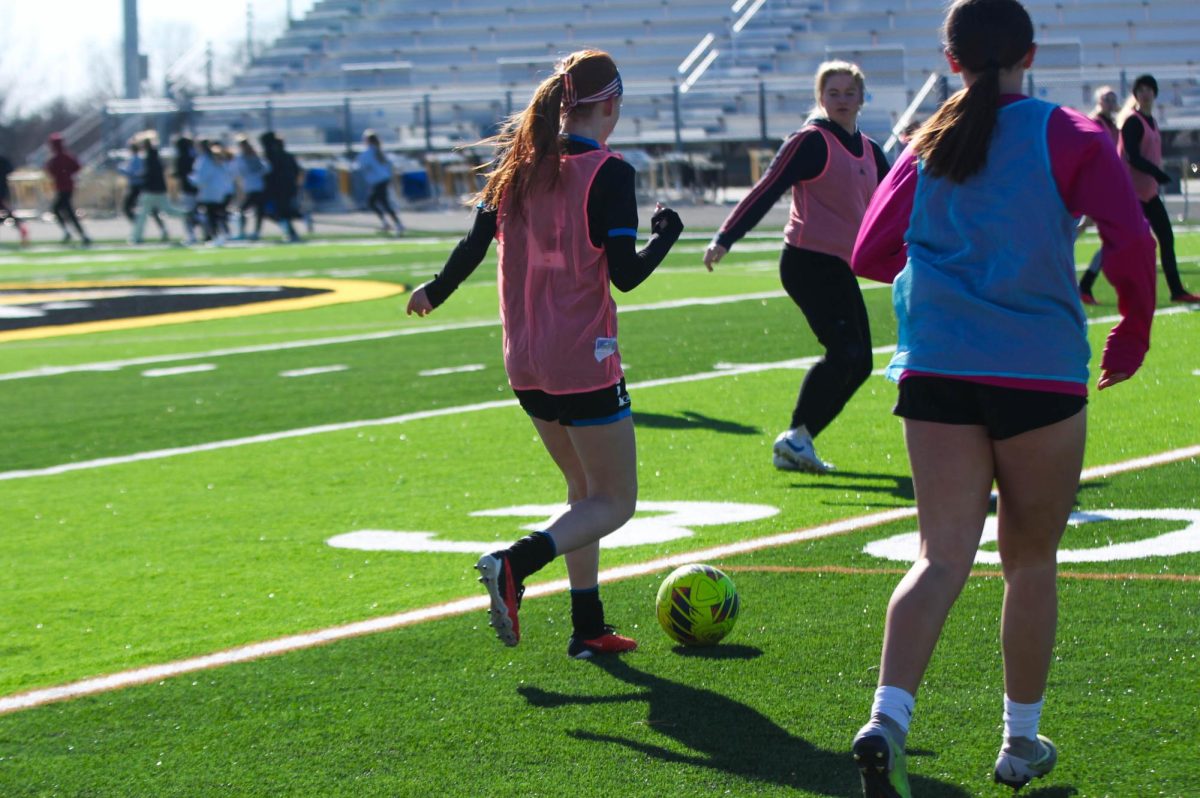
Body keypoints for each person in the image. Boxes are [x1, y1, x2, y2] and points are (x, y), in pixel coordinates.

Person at [848, 0, 1156, 795]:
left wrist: (949, 281)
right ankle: (1019, 745)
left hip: (938, 367)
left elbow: (870, 252)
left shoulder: (927, 142)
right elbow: (1131, 240)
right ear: (1031, 51)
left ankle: (886, 720)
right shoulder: (1071, 133)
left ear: (951, 62)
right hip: (1039, 369)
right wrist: (1134, 328)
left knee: (939, 557)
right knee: (1030, 561)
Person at [405, 49, 683, 659]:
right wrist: (668, 236)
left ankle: (587, 627)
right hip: (581, 356)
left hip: (524, 359)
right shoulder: (608, 171)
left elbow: (474, 243)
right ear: (611, 105)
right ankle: (515, 562)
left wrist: (436, 290)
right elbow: (626, 276)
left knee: (582, 490)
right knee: (615, 501)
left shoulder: (518, 164)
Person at [703, 60, 890, 473]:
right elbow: (767, 189)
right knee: (845, 352)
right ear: (820, 98)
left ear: (862, 97)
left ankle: (798, 440)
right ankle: (795, 437)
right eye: (833, 93)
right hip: (808, 262)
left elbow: (896, 204)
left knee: (860, 363)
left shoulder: (871, 150)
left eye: (849, 92)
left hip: (839, 267)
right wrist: (725, 237)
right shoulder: (811, 142)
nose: (841, 100)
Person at [1117, 74, 1199, 303]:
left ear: (1154, 93)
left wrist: (1156, 175)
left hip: (1148, 194)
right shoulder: (1133, 121)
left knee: (1165, 238)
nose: (1145, 93)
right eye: (1140, 90)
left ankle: (1177, 291)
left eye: (1148, 89)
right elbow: (1132, 157)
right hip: (1131, 195)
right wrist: (1157, 173)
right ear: (1135, 95)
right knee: (1128, 244)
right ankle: (1089, 284)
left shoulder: (1151, 121)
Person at [1077, 86, 1121, 304]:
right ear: (1098, 101)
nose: (1110, 101)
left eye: (1113, 98)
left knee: (1109, 238)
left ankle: (1084, 286)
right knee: (1073, 233)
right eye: (1106, 98)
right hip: (1094, 188)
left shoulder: (1113, 126)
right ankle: (1082, 285)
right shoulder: (1094, 123)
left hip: (1105, 189)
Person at [129, 133, 186, 244]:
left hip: (151, 191)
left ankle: (136, 237)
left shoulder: (150, 157)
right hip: (159, 190)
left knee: (142, 215)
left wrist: (140, 176)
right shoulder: (155, 155)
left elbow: (150, 174)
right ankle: (188, 214)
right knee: (167, 211)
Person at [44, 133, 91, 246]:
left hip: (63, 188)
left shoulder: (56, 158)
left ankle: (79, 234)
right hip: (67, 186)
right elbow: (77, 167)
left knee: (63, 210)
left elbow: (49, 170)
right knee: (62, 210)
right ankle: (77, 234)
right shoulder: (66, 157)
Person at [356, 130, 405, 235]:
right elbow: (389, 166)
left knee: (376, 203)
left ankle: (395, 223)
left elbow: (361, 165)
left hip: (378, 181)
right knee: (377, 202)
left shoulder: (368, 153)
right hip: (382, 180)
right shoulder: (379, 151)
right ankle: (389, 223)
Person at [119, 135, 165, 241]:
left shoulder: (138, 159)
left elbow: (137, 174)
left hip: (138, 187)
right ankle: (141, 228)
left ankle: (139, 228)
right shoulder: (137, 158)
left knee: (134, 209)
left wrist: (124, 171)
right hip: (138, 187)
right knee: (149, 210)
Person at [260, 131, 302, 243]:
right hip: (285, 188)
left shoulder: (272, 156)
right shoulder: (285, 156)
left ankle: (290, 232)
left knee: (279, 212)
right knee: (281, 212)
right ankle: (290, 232)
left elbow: (269, 173)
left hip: (278, 189)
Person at [173, 135, 200, 245]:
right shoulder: (195, 156)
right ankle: (205, 233)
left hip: (187, 189)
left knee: (187, 213)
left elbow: (180, 173)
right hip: (197, 189)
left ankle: (191, 235)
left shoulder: (181, 157)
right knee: (196, 212)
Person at [0, 153, 30, 245]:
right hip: (3, 188)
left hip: (1, 189)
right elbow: (10, 170)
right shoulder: (3, 160)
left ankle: (22, 227)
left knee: (7, 211)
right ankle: (21, 227)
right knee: (7, 211)